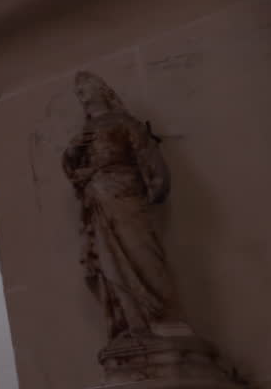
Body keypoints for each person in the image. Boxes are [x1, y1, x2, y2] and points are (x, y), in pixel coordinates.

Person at [63, 71, 177, 340]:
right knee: (108, 262)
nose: (81, 93)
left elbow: (146, 154)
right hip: (97, 200)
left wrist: (156, 183)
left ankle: (162, 315)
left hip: (126, 195)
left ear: (103, 90)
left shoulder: (124, 122)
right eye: (78, 90)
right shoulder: (85, 133)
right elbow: (73, 171)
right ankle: (130, 320)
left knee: (143, 254)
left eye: (86, 87)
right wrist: (71, 151)